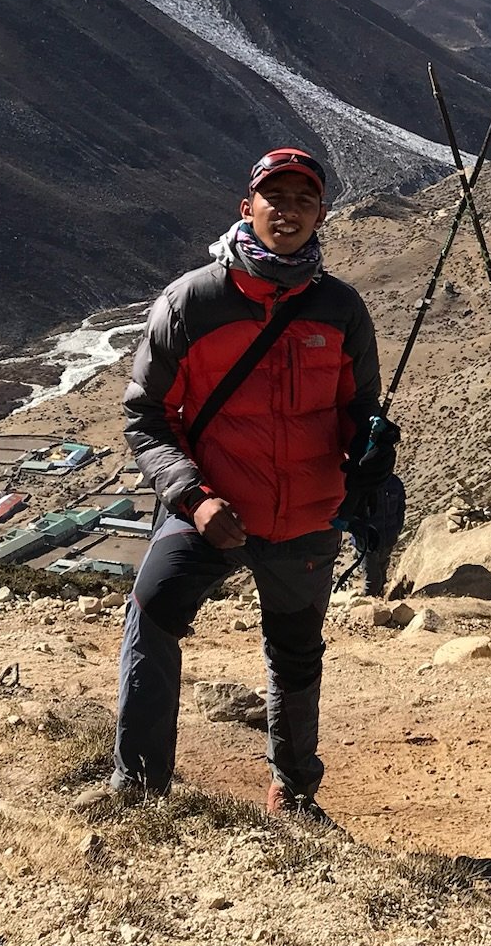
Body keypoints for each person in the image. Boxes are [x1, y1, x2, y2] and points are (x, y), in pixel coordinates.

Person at [105, 147, 395, 824]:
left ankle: (292, 795)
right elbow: (145, 414)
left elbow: (361, 407)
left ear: (320, 213)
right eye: (275, 195)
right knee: (150, 622)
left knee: (296, 656)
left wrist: (371, 442)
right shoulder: (191, 301)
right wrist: (193, 497)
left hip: (307, 517)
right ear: (247, 207)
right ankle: (140, 789)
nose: (287, 208)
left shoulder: (341, 308)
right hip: (209, 510)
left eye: (303, 197)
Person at [349, 471, 407, 596]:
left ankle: (380, 606)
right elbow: (350, 513)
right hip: (367, 542)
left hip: (387, 539)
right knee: (372, 580)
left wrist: (396, 529)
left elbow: (400, 508)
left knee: (381, 574)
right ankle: (369, 608)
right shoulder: (361, 483)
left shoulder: (394, 483)